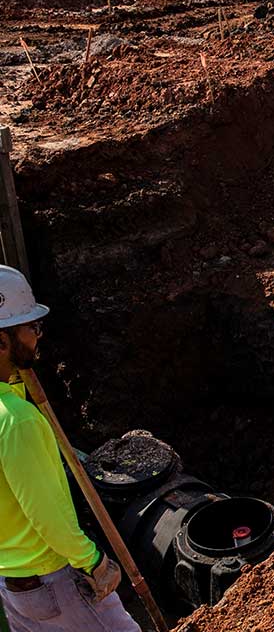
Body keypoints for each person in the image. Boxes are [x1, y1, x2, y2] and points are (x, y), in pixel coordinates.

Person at [0, 266, 139, 632]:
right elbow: (47, 513)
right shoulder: (18, 420)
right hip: (54, 581)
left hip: (14, 586)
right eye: (30, 328)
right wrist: (92, 560)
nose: (37, 336)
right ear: (1, 342)